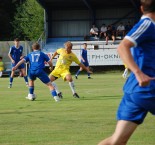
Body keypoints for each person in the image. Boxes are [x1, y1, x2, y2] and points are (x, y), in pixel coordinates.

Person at [98, 0, 155, 145]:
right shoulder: (147, 24)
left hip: (135, 90)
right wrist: (138, 72)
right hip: (148, 89)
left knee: (117, 141)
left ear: (141, 8)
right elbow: (123, 46)